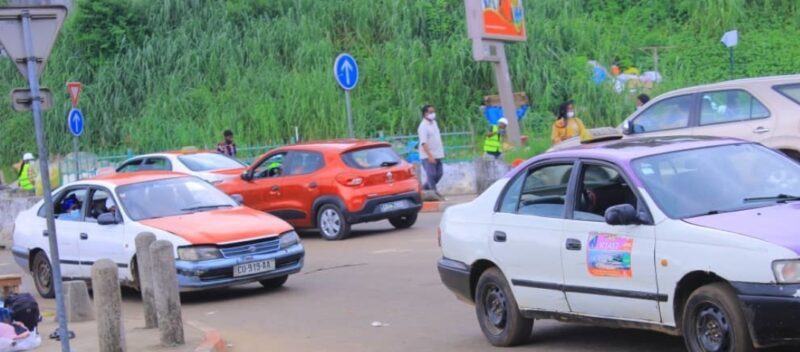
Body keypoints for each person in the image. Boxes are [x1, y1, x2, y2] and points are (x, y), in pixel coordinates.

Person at [417, 104, 445, 199]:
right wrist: (429, 156)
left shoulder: (434, 123)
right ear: (425, 114)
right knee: (431, 175)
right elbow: (423, 143)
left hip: (437, 154)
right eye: (431, 112)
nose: (433, 114)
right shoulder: (423, 126)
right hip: (428, 156)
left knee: (439, 173)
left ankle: (424, 190)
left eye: (433, 112)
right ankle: (434, 193)